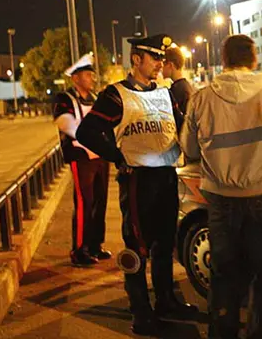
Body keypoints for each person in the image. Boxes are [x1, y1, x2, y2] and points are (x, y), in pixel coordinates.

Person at [76, 34, 197, 335]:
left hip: (166, 176)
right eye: (154, 57)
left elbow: (180, 126)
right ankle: (140, 312)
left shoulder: (165, 93)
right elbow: (87, 132)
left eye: (161, 58)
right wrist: (118, 156)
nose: (159, 63)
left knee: (164, 243)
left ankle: (166, 300)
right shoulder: (115, 95)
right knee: (137, 246)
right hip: (138, 179)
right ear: (136, 59)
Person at [179, 34, 262, 339]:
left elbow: (188, 148)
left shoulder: (201, 99)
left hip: (222, 201)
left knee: (224, 277)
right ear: (254, 59)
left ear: (224, 60)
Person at [52, 53, 111, 266]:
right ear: (75, 78)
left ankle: (95, 245)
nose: (92, 78)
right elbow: (66, 124)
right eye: (88, 75)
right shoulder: (65, 99)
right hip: (81, 157)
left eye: (92, 75)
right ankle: (79, 250)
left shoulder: (95, 98)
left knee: (100, 202)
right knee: (84, 203)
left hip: (100, 157)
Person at [163, 46, 194, 112]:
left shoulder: (177, 91)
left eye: (163, 64)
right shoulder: (186, 86)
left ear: (170, 65)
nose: (160, 68)